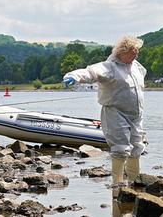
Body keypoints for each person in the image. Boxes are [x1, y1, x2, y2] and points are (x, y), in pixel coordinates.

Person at [62, 35, 147, 189]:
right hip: (115, 112)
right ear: (122, 52)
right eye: (133, 52)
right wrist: (73, 76)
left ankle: (135, 182)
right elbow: (90, 73)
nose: (136, 55)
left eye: (137, 52)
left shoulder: (136, 66)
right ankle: (117, 184)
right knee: (120, 149)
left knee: (137, 146)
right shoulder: (109, 67)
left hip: (136, 114)